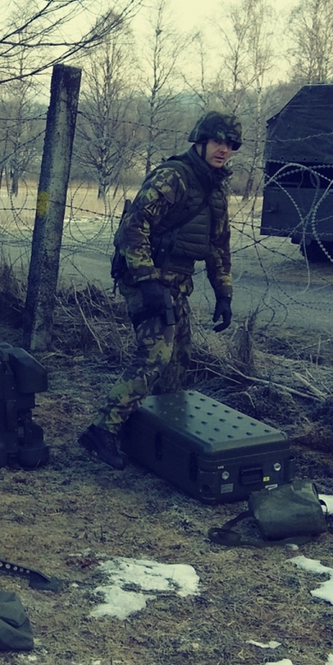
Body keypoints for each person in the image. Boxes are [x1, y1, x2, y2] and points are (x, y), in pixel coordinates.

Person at [79, 111, 242, 470]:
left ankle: (160, 436)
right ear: (200, 141)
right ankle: (101, 430)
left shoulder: (215, 189)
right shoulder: (173, 177)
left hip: (176, 284)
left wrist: (224, 294)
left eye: (230, 145)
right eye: (217, 141)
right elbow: (134, 226)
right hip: (146, 280)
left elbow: (218, 246)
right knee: (155, 355)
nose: (223, 150)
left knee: (177, 363)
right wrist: (147, 280)